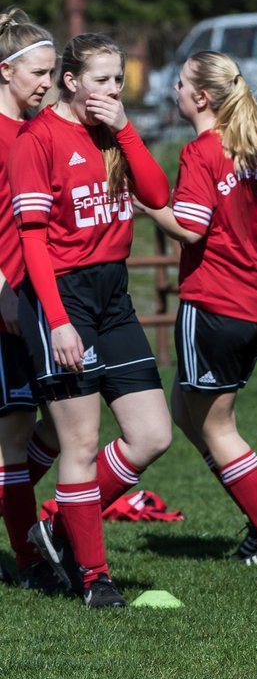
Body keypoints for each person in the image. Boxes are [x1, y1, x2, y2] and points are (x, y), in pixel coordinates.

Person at [10, 33, 173, 608]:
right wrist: (57, 322)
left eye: (118, 80)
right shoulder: (37, 138)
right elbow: (31, 241)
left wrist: (126, 127)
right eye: (102, 79)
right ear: (72, 80)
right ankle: (95, 578)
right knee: (78, 442)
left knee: (153, 434)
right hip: (62, 299)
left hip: (113, 294)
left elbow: (158, 193)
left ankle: (56, 527)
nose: (112, 90)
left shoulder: (113, 132)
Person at [137, 50, 257, 567]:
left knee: (216, 427)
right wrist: (239, 235)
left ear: (201, 97)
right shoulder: (254, 152)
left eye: (181, 84)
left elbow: (189, 226)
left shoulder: (201, 152)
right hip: (254, 309)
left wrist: (145, 204)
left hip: (213, 304)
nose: (175, 92)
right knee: (186, 412)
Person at [0, 7, 63, 591]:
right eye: (39, 72)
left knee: (48, 428)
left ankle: (29, 550)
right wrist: (3, 291)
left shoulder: (32, 133)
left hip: (30, 306)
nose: (47, 82)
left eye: (52, 72)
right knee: (18, 434)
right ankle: (29, 562)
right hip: (7, 308)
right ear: (6, 70)